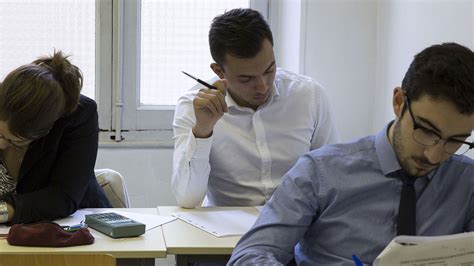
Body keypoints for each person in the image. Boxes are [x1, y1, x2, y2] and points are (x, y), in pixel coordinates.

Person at [228, 42, 474, 265]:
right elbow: (250, 254)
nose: (434, 155)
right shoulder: (320, 172)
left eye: (455, 141)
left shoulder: (467, 183)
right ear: (399, 102)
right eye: (426, 131)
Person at [172, 8, 338, 208]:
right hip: (225, 230)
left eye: (269, 70)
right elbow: (187, 199)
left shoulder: (309, 96)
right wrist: (203, 130)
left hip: (298, 225)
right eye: (246, 78)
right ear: (219, 71)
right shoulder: (195, 106)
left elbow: (331, 176)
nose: (263, 86)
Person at [0, 51, 111, 225]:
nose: (2, 144)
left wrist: (4, 211)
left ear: (45, 131)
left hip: (72, 228)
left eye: (15, 140)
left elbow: (62, 197)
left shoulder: (78, 116)